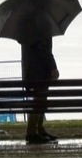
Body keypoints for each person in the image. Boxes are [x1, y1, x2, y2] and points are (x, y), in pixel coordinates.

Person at [20, 16, 59, 144]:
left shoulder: (26, 26)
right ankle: (32, 131)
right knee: (39, 101)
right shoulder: (41, 24)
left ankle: (38, 129)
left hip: (31, 70)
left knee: (40, 100)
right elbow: (44, 50)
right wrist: (53, 67)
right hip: (40, 71)